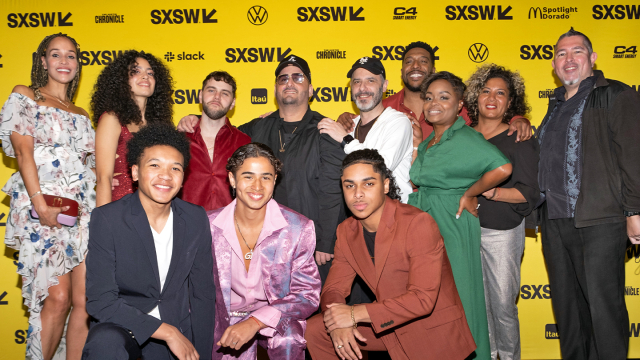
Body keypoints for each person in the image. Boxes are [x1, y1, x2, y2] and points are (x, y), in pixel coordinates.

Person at [177, 55, 345, 282]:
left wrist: (325, 241)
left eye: (298, 77)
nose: (289, 83)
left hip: (309, 245)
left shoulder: (325, 129)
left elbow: (332, 189)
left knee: (310, 308)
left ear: (311, 89)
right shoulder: (257, 128)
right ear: (275, 89)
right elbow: (219, 129)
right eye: (283, 78)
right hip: (260, 244)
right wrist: (195, 118)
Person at [305, 149, 476, 360]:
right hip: (387, 325)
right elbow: (333, 288)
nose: (357, 193)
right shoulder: (346, 231)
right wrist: (335, 322)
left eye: (368, 184)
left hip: (430, 330)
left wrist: (352, 314)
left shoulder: (417, 223)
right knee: (315, 329)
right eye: (349, 185)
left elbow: (422, 300)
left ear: (385, 185)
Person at [536, 28, 640, 360]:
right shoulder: (553, 103)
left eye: (577, 52)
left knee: (603, 311)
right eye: (562, 54)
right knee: (568, 314)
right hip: (554, 221)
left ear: (592, 58)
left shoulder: (616, 95)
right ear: (554, 64)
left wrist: (634, 211)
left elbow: (632, 155)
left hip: (600, 220)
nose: (569, 59)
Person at [82, 123, 215, 360]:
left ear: (183, 177)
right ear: (134, 172)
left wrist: (202, 355)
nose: (165, 176)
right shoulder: (108, 219)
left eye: (175, 168)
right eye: (154, 165)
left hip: (176, 328)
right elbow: (100, 301)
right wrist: (167, 333)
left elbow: (202, 295)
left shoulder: (195, 218)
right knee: (105, 343)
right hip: (124, 327)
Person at [0, 33, 96, 360]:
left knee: (83, 303)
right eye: (56, 55)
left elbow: (92, 168)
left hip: (82, 213)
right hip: (42, 206)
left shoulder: (83, 113)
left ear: (78, 63)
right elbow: (24, 153)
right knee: (55, 298)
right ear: (43, 61)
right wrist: (40, 206)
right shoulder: (25, 95)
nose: (64, 61)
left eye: (71, 55)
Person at [408, 72, 512, 360]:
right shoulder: (431, 140)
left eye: (444, 97)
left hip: (452, 222)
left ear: (459, 104)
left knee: (461, 297)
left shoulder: (466, 137)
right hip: (426, 222)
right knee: (431, 298)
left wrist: (471, 193)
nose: (434, 103)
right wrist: (418, 144)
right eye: (429, 97)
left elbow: (503, 167)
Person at [208, 143, 321, 359]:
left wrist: (255, 321)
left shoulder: (298, 228)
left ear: (275, 180)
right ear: (232, 179)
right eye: (248, 176)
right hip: (224, 318)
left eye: (266, 177)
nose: (257, 186)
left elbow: (307, 293)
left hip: (275, 315)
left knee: (289, 338)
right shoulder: (208, 226)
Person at [465, 64, 540, 360]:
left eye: (501, 93)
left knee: (503, 307)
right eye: (486, 91)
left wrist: (492, 191)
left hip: (502, 233)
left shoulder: (518, 138)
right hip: (466, 231)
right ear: (476, 97)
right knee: (478, 306)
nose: (492, 98)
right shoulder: (463, 136)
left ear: (511, 102)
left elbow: (529, 193)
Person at [333, 41, 532, 143]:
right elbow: (362, 123)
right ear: (402, 71)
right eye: (409, 62)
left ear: (433, 71)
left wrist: (516, 118)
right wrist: (346, 118)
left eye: (423, 61)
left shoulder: (456, 107)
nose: (416, 66)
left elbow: (490, 114)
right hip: (398, 201)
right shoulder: (384, 107)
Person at [317, 56, 413, 203]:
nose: (362, 88)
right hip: (358, 214)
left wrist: (345, 140)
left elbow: (381, 168)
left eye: (370, 81)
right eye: (357, 82)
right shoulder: (349, 125)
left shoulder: (398, 122)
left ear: (385, 85)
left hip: (394, 216)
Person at [92, 50, 174, 206]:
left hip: (156, 211)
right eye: (136, 72)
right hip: (121, 209)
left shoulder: (161, 126)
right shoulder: (112, 119)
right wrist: (103, 224)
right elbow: (104, 178)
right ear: (121, 80)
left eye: (150, 73)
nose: (145, 76)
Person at [180, 71, 250, 211]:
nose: (217, 97)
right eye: (211, 90)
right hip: (186, 228)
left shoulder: (244, 142)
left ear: (233, 103)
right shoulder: (178, 140)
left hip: (231, 229)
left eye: (225, 93)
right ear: (200, 96)